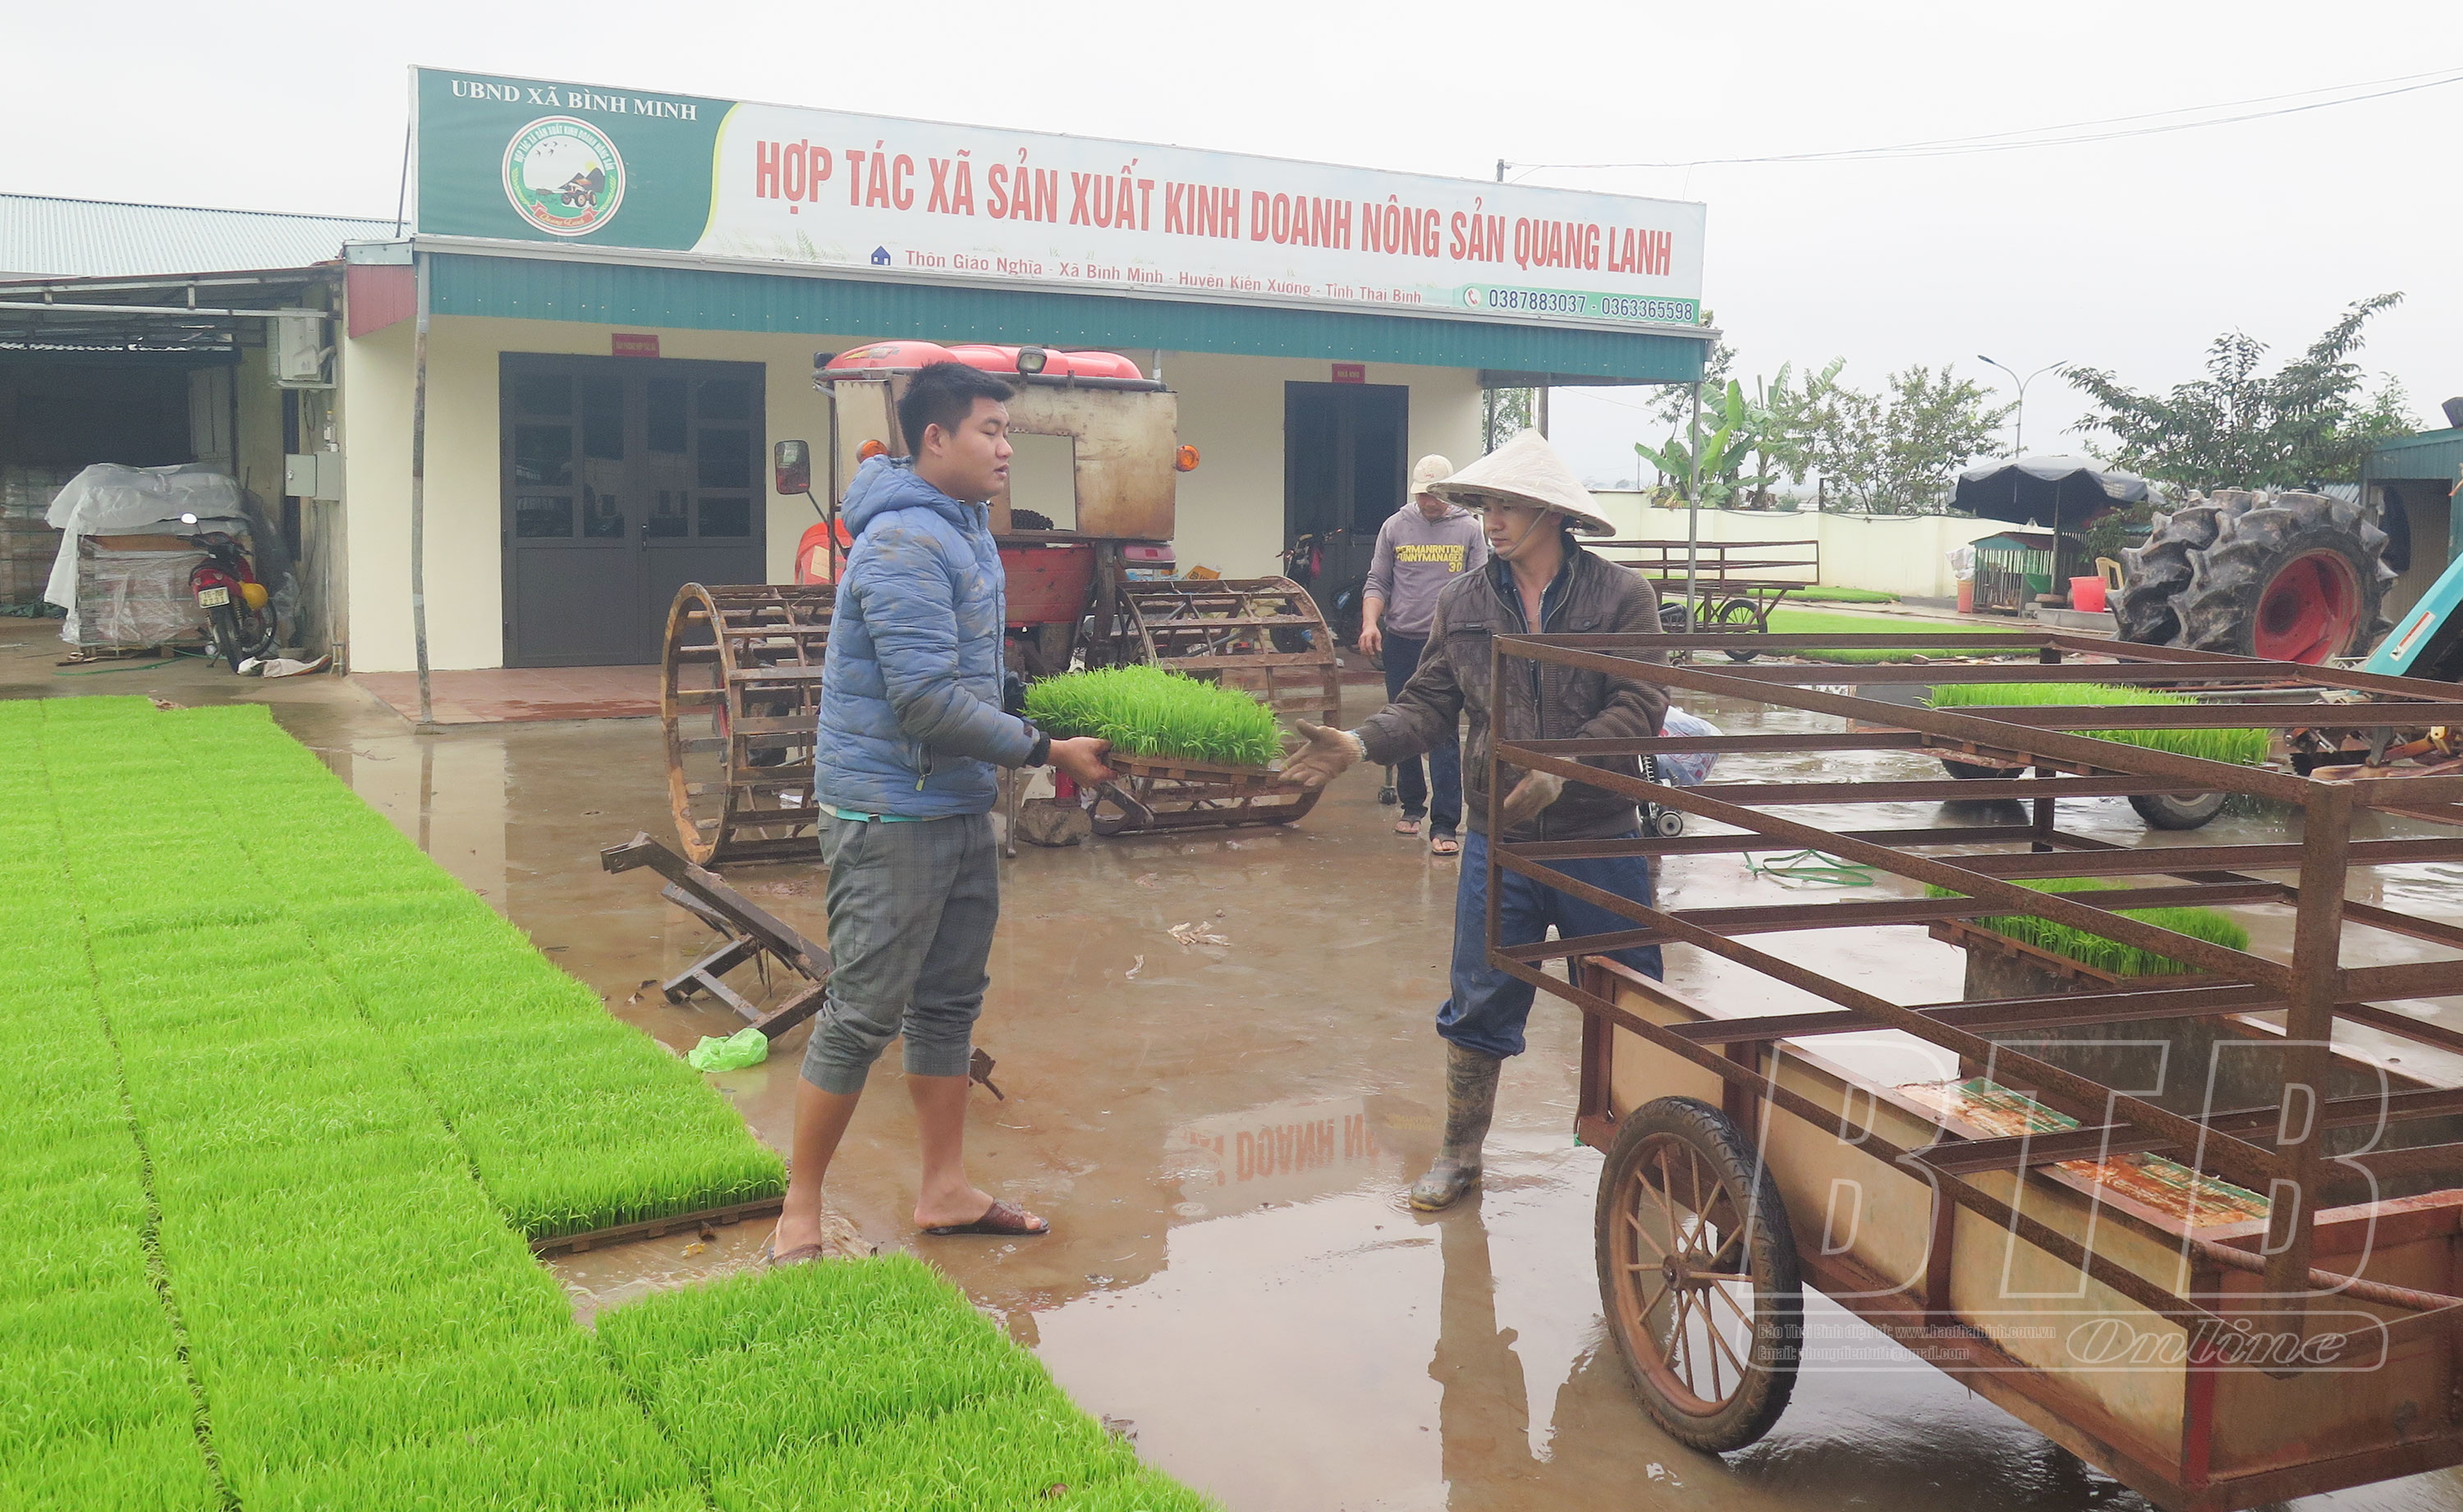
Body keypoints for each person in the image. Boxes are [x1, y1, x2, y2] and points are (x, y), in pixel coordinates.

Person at [768, 360, 1115, 1265]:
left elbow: (975, 678)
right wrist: (1046, 751)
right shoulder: (903, 544)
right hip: (891, 812)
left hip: (955, 802)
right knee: (862, 1013)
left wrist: (1053, 714)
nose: (1006, 449)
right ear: (935, 438)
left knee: (949, 1005)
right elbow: (925, 702)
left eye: (1007, 432)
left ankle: (945, 1190)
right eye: (990, 431)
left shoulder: (963, 531)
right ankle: (798, 1212)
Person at [1284, 431, 1668, 1212]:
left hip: (1597, 834)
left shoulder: (1621, 597)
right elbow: (1429, 703)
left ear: (1553, 514)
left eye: (1508, 506)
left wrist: (1563, 766)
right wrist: (1358, 744)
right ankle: (1459, 1154)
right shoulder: (1463, 601)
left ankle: (1654, 1160)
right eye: (1486, 505)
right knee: (1478, 997)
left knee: (1629, 1002)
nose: (1492, 520)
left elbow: (1641, 699)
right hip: (1500, 839)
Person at [1359, 453, 1488, 855]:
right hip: (1402, 640)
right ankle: (1412, 805)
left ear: (1448, 492)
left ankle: (1445, 823)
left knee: (1442, 731)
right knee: (1401, 724)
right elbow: (1378, 580)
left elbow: (1481, 587)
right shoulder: (1395, 526)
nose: (1429, 502)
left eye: (1435, 495)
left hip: (1449, 645)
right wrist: (1369, 623)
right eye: (1422, 495)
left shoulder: (1469, 529)